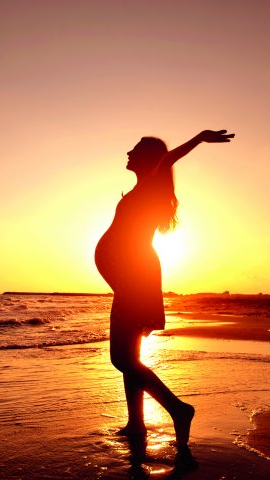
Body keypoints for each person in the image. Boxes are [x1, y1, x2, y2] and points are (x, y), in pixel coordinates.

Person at [95, 129, 235, 462]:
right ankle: (136, 423)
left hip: (135, 274)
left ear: (150, 160)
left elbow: (168, 157)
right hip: (133, 273)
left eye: (136, 148)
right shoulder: (144, 189)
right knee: (131, 353)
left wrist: (199, 137)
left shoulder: (150, 183)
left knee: (122, 359)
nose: (128, 151)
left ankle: (178, 409)